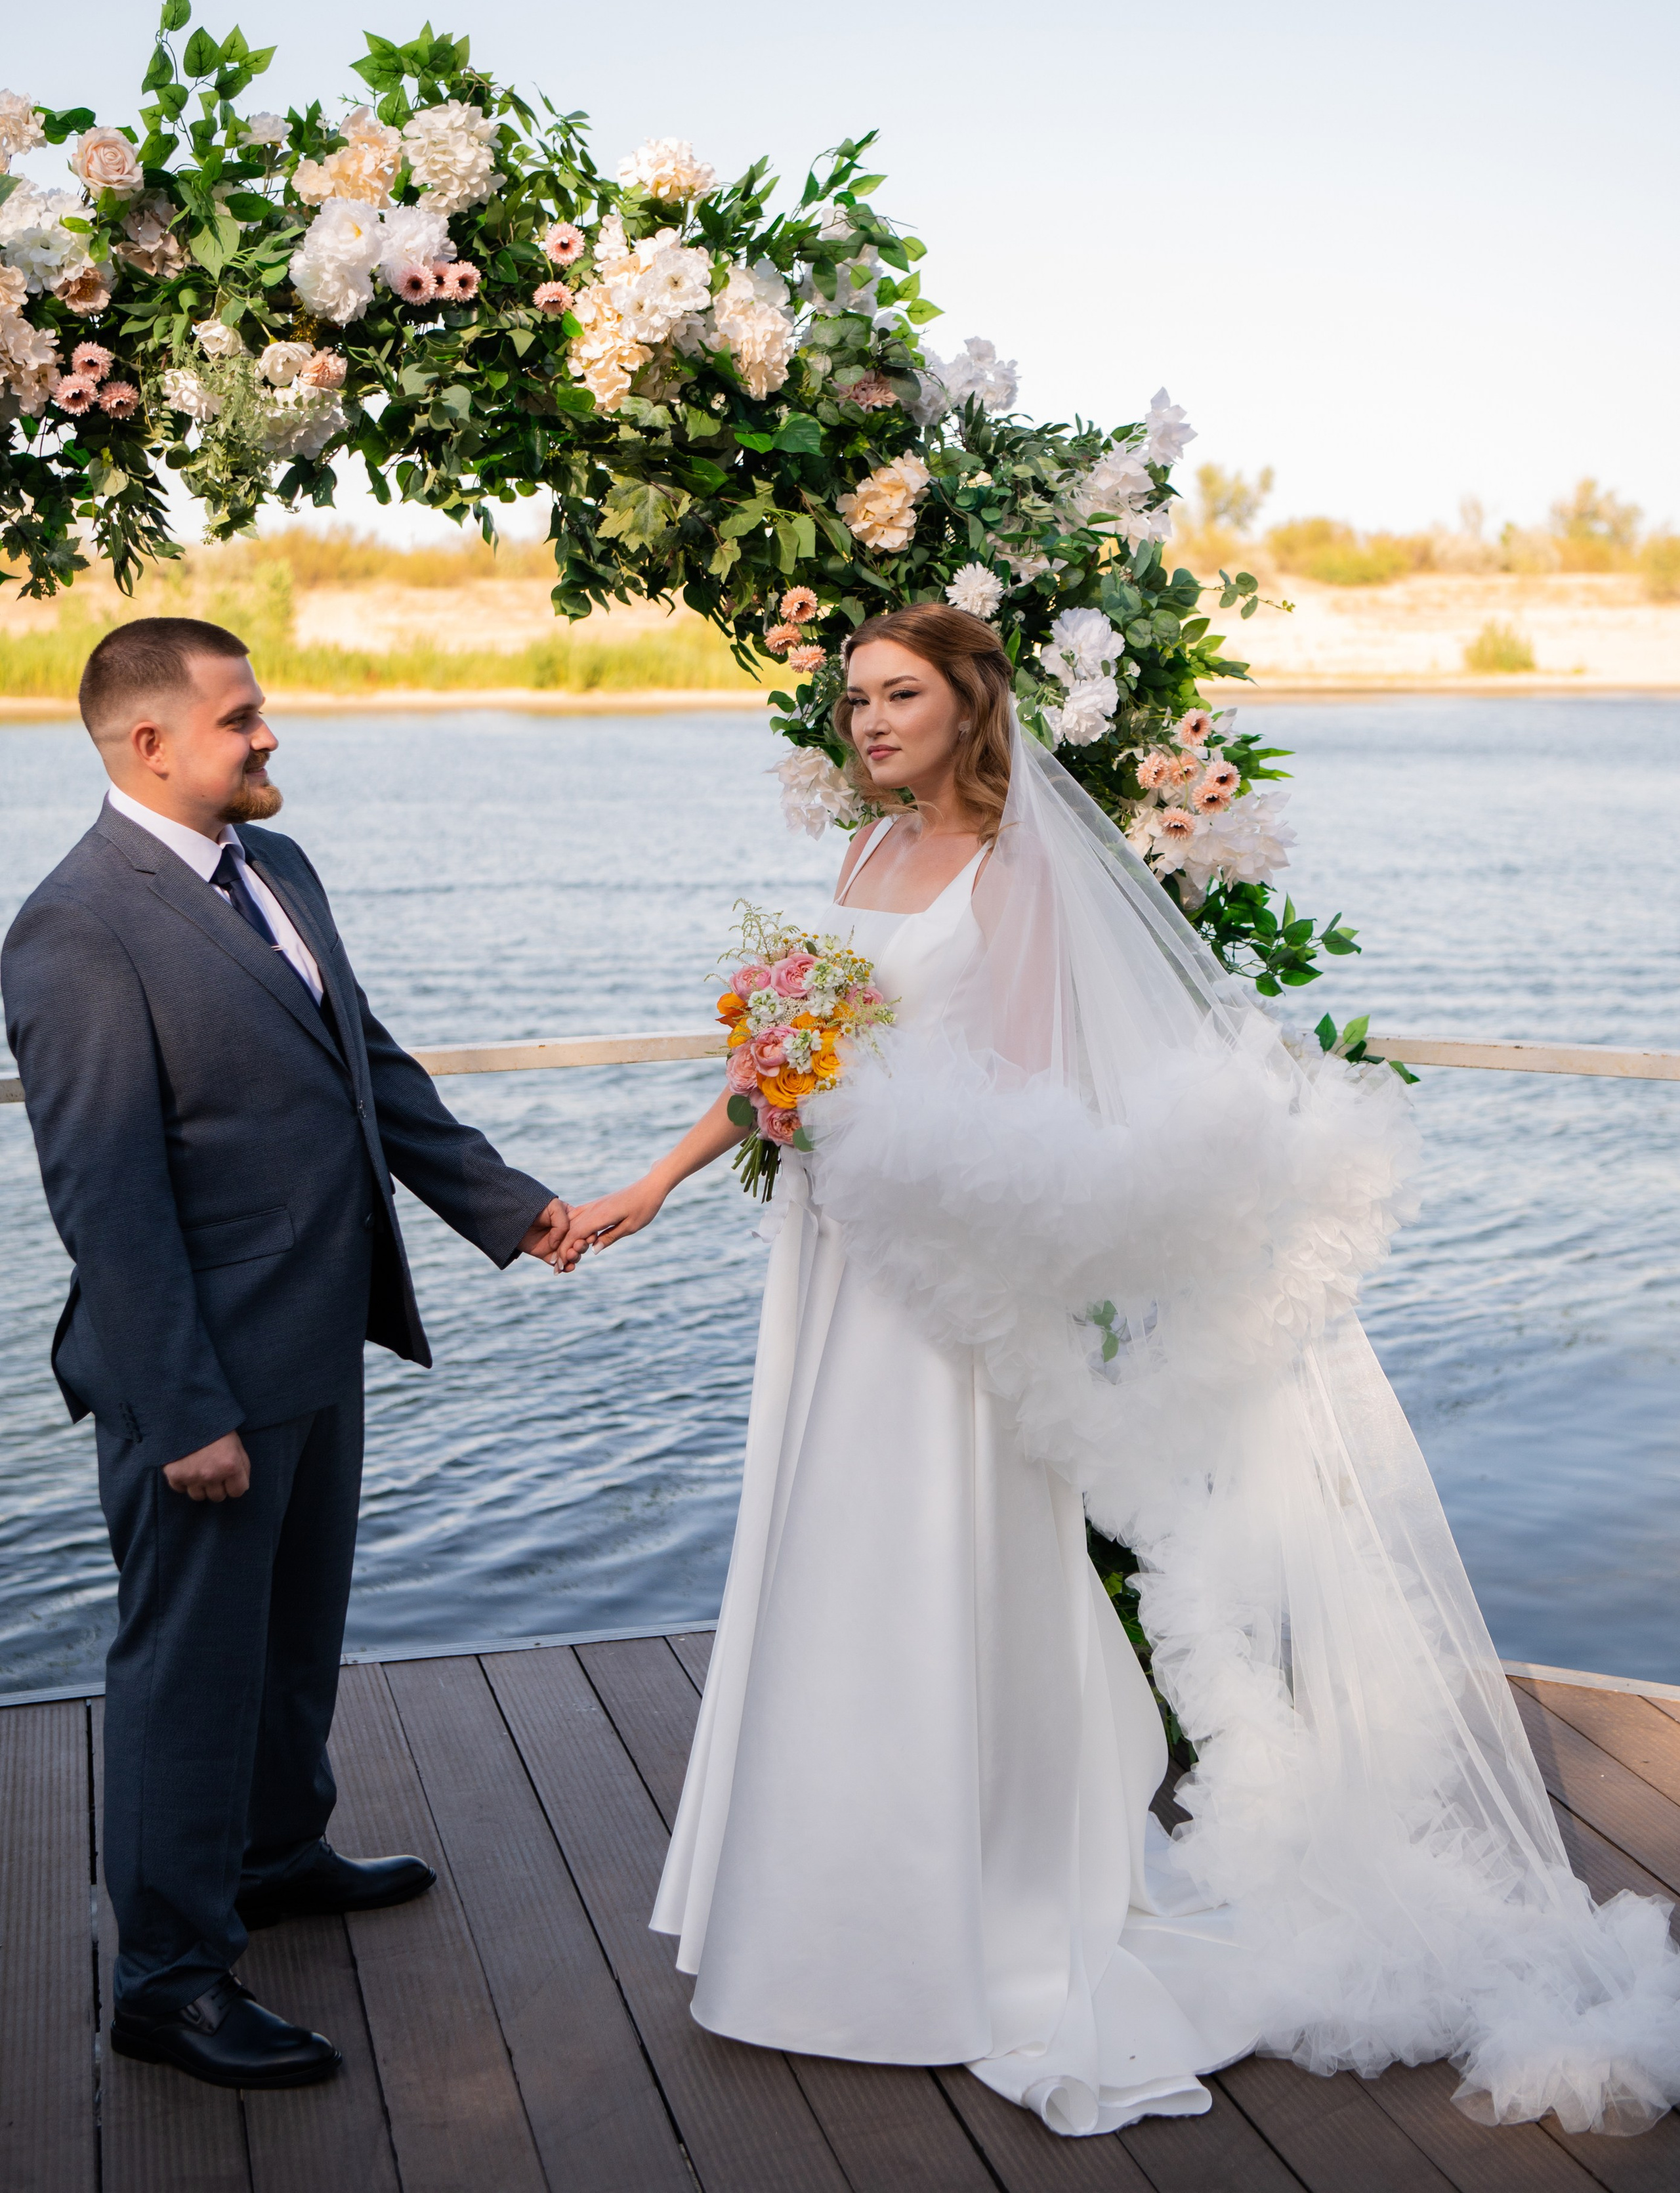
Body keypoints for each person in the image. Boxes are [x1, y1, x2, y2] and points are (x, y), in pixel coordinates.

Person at [561, 603, 1680, 2140]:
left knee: (937, 1544)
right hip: (829, 1259)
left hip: (939, 1268)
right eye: (852, 698)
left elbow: (1033, 1110)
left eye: (897, 695)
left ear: (968, 706)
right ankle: (819, 1901)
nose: (867, 721)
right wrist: (657, 1177)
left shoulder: (1011, 870)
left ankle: (980, 1895)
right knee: (832, 1544)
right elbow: (783, 1057)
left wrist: (896, 1154)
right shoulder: (865, 857)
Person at [2, 617, 571, 2094]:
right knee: (187, 1673)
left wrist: (514, 1213)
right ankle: (169, 1978)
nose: (268, 738)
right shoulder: (74, 929)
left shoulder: (278, 870)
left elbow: (366, 1068)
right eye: (242, 718)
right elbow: (107, 1196)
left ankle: (271, 1850)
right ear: (151, 744)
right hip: (194, 1375)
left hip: (319, 1332)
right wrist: (187, 1407)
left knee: (291, 1638)